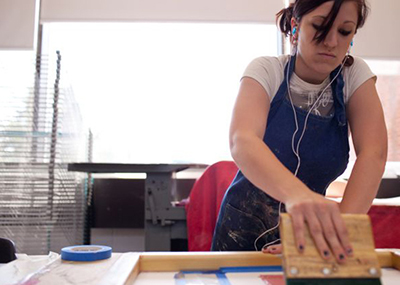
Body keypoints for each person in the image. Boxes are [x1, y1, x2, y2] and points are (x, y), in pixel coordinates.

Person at [211, 0, 387, 264]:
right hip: (241, 232)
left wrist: (336, 233)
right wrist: (300, 197)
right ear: (296, 26)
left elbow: (373, 153)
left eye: (344, 31)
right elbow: (242, 140)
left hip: (309, 239)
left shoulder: (354, 76)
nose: (331, 42)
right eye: (319, 26)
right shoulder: (266, 71)